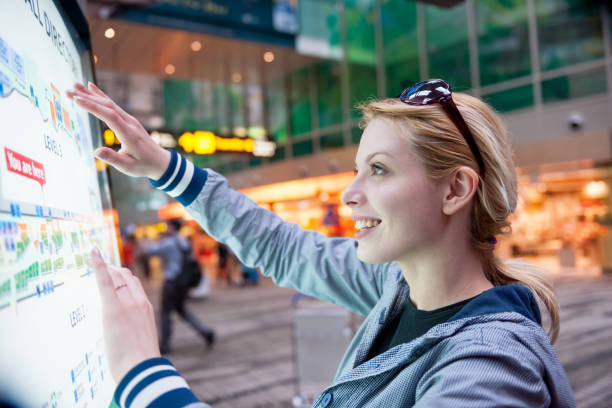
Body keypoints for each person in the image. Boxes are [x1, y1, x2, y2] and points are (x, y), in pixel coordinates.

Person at [70, 79, 576, 407]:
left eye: (378, 170)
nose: (349, 194)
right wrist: (165, 168)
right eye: (358, 170)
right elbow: (283, 247)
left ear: (455, 190)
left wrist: (142, 374)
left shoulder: (489, 368)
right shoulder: (397, 285)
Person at [146, 219, 215, 354]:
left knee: (165, 313)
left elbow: (150, 252)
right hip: (183, 283)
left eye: (167, 227)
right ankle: (205, 332)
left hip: (171, 282)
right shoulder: (184, 241)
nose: (165, 229)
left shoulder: (169, 242)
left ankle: (165, 344)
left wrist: (159, 239)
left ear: (172, 227)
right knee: (181, 310)